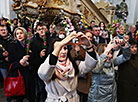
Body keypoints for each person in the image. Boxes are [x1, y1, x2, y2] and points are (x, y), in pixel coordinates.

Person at [38, 31, 97, 102]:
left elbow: (90, 64)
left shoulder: (74, 65)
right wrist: (60, 44)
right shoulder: (48, 67)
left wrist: (88, 45)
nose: (63, 52)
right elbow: (43, 74)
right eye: (59, 49)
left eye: (65, 48)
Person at [8, 27, 35, 102]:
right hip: (18, 76)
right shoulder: (12, 47)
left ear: (25, 34)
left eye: (21, 33)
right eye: (17, 34)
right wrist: (20, 62)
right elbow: (10, 64)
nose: (19, 35)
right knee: (19, 98)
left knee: (31, 96)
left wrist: (28, 64)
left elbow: (35, 60)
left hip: (29, 75)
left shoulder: (30, 45)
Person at [30, 23, 47, 102]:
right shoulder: (33, 41)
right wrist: (39, 55)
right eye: (39, 29)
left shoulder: (48, 39)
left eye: (43, 29)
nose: (41, 31)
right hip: (38, 67)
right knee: (40, 88)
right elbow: (32, 56)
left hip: (47, 66)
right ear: (36, 31)